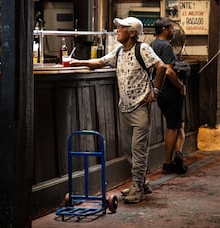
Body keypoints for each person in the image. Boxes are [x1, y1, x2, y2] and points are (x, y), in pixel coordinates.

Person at [70, 17, 167, 203]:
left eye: (121, 28)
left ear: (132, 33)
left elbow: (161, 67)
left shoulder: (143, 49)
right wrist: (75, 62)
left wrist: (155, 91)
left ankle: (138, 189)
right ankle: (142, 182)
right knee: (129, 150)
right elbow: (99, 62)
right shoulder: (120, 51)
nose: (117, 31)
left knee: (138, 150)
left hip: (140, 107)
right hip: (124, 108)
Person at [150, 17, 188, 175]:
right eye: (172, 28)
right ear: (165, 29)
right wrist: (180, 85)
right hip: (170, 91)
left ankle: (178, 155)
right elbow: (168, 70)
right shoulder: (165, 46)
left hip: (159, 90)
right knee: (173, 127)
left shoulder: (152, 44)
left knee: (178, 124)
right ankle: (168, 162)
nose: (174, 31)